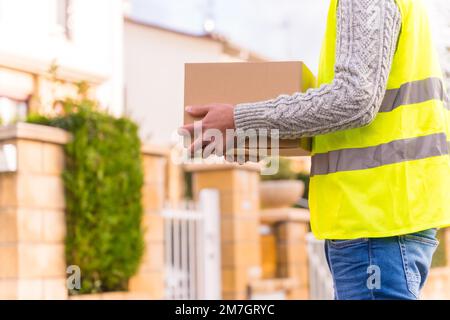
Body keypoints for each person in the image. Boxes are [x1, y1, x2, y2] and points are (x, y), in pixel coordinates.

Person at [180, 0, 450, 300]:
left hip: (374, 219)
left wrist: (242, 119)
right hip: (385, 217)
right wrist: (259, 137)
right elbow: (362, 124)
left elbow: (354, 99)